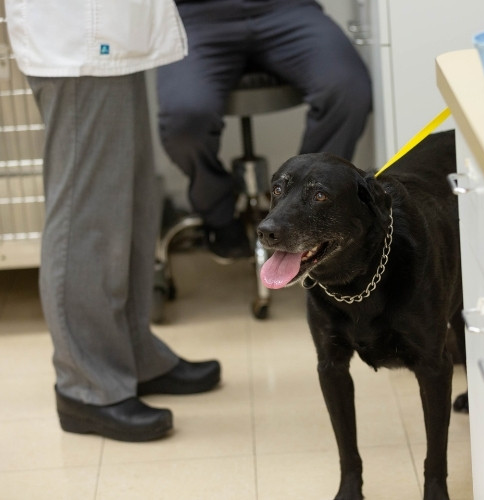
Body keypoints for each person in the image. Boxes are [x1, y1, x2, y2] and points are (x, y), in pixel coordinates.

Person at [5, 0, 220, 443]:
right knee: (90, 215)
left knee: (131, 204)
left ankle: (133, 357)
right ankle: (87, 385)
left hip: (113, 30)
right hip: (78, 34)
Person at [157, 0, 372, 260]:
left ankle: (305, 206)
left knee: (348, 90)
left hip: (286, 9)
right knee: (184, 119)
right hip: (196, 17)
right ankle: (218, 213)